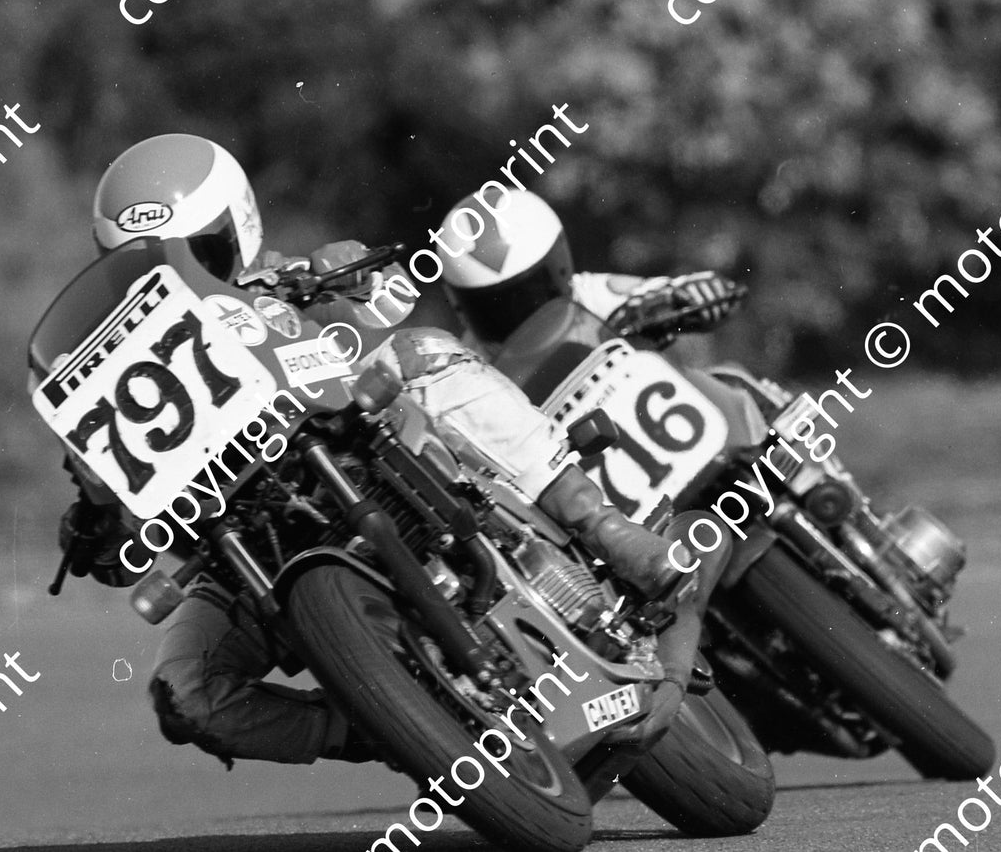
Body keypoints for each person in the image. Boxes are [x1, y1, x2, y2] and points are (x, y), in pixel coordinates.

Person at [49, 133, 687, 770]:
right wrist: (96, 518)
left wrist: (348, 280)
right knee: (182, 694)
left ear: (235, 225)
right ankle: (385, 729)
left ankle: (602, 526)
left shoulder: (283, 278)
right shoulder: (109, 378)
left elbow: (388, 301)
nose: (172, 267)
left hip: (351, 443)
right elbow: (120, 552)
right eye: (143, 258)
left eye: (193, 249)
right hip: (243, 550)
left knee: (422, 353)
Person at [438, 188, 768, 712]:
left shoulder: (594, 293)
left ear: (560, 267)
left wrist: (692, 295)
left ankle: (829, 489)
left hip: (687, 437)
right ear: (463, 304)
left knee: (738, 381)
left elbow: (664, 290)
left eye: (529, 290)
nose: (517, 311)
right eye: (495, 303)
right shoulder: (473, 369)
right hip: (623, 510)